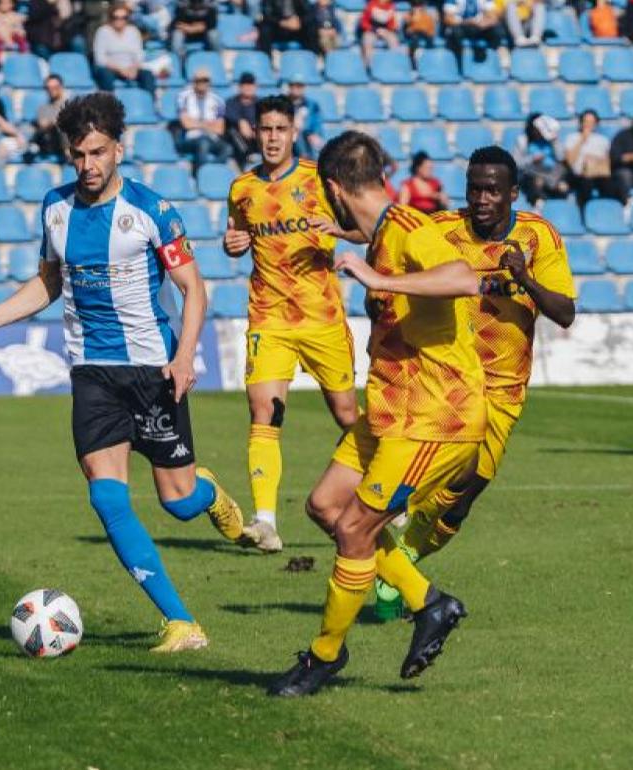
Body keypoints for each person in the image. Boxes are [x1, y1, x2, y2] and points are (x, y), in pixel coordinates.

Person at [0, 92, 247, 653]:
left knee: (178, 502)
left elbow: (193, 288)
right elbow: (49, 282)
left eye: (97, 152)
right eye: (78, 154)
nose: (87, 165)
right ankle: (182, 623)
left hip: (150, 370)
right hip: (91, 372)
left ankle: (209, 493)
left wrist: (184, 356)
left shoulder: (152, 212)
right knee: (107, 499)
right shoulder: (55, 208)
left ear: (118, 148)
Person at [267, 131, 485, 697]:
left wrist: (377, 278)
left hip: (437, 417)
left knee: (355, 528)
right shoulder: (384, 230)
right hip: (393, 409)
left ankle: (323, 657)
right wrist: (337, 236)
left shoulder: (412, 231)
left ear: (336, 187)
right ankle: (430, 604)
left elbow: (464, 278)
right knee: (324, 506)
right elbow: (371, 233)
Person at [376, 146, 575, 617]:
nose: (482, 198)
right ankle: (390, 551)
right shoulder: (442, 230)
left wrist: (523, 278)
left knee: (462, 501)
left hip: (505, 387)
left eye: (492, 190)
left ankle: (405, 554)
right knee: (432, 475)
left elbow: (564, 313)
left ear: (512, 193)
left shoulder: (537, 236)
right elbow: (391, 263)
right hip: (447, 379)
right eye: (474, 189)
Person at [222, 96, 365, 553]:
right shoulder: (242, 188)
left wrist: (339, 231)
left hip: (322, 317)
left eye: (280, 129)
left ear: (293, 132)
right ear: (255, 132)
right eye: (265, 129)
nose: (272, 138)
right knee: (265, 411)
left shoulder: (319, 181)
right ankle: (265, 521)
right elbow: (236, 237)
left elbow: (370, 227)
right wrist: (233, 244)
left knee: (347, 415)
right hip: (270, 317)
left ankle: (385, 493)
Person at [93, 3, 157, 94]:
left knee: (148, 75)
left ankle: (150, 103)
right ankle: (108, 103)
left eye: (124, 17)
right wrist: (120, 70)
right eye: (116, 17)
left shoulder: (133, 31)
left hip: (130, 68)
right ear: (111, 17)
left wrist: (134, 69)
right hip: (111, 69)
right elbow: (100, 59)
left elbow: (139, 55)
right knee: (104, 75)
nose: (120, 20)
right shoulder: (103, 32)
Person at [175, 68, 231, 173]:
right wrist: (207, 124)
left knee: (227, 148)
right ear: (194, 82)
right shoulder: (183, 97)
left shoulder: (218, 100)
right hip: (190, 138)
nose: (202, 84)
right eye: (199, 81)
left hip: (211, 138)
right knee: (203, 143)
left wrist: (196, 123)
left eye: (205, 81)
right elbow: (186, 124)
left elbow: (220, 129)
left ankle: (211, 172)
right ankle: (200, 174)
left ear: (209, 83)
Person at [564, 109, 623, 208]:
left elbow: (607, 162)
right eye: (586, 121)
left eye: (591, 122)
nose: (588, 124)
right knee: (585, 184)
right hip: (578, 174)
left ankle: (608, 211)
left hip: (597, 173)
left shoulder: (603, 140)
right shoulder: (572, 138)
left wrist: (595, 160)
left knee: (610, 184)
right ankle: (584, 212)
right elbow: (570, 161)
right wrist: (582, 140)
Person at [512, 112, 569, 206]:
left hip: (550, 173)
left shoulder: (551, 139)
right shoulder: (523, 140)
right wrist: (532, 159)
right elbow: (516, 163)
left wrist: (554, 141)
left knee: (563, 185)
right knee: (536, 182)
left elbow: (561, 157)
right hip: (531, 172)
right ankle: (538, 205)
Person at [443, 0, 504, 65]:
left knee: (497, 31)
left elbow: (493, 16)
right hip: (461, 27)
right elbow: (448, 18)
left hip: (479, 27)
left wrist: (485, 23)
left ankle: (490, 62)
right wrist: (468, 22)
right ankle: (460, 64)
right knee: (455, 32)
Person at [223, 71, 258, 168]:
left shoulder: (260, 103)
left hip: (256, 139)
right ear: (240, 86)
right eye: (245, 84)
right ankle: (247, 158)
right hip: (237, 143)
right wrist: (240, 121)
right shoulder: (231, 102)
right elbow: (228, 115)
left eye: (250, 84)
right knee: (232, 130)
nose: (248, 87)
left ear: (255, 86)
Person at [30, 73, 67, 159]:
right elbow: (43, 124)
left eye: (55, 87)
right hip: (50, 141)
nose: (51, 90)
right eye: (48, 88)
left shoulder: (69, 105)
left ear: (61, 87)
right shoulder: (43, 108)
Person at [286, 79, 324, 159]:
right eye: (293, 85)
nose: (296, 88)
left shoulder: (312, 104)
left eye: (299, 86)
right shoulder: (283, 103)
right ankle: (304, 158)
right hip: (288, 136)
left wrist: (314, 133)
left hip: (307, 137)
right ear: (289, 87)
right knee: (297, 129)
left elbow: (317, 122)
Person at [0, 0, 29, 65]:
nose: (5, 6)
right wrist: (7, 40)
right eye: (3, 3)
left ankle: (24, 56)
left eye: (8, 3)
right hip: (1, 37)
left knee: (21, 39)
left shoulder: (14, 15)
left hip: (12, 36)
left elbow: (19, 27)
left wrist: (19, 32)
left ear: (12, 5)